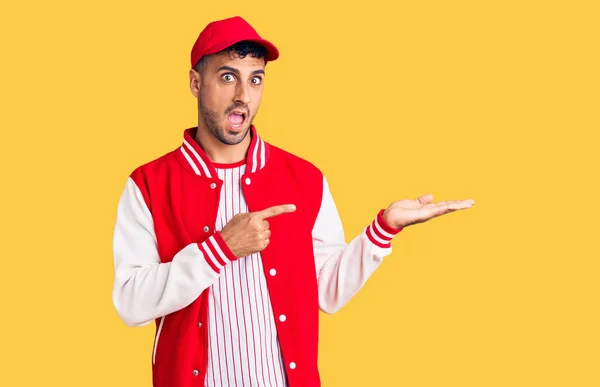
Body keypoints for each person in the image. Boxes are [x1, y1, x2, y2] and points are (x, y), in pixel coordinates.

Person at [111, 15, 475, 387]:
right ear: (195, 82)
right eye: (227, 77)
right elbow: (130, 303)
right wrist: (219, 250)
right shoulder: (148, 185)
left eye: (255, 79)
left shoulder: (304, 179)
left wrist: (382, 230)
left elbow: (328, 292)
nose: (243, 95)